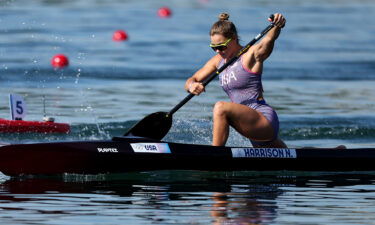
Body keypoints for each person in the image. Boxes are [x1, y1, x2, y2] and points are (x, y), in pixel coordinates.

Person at [184, 13, 287, 148]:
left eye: (221, 46)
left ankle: (215, 153)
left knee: (221, 107)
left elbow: (268, 40)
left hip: (262, 119)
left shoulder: (250, 56)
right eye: (213, 47)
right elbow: (191, 80)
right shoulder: (218, 61)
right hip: (246, 124)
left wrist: (277, 26)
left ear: (233, 38)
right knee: (294, 160)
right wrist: (192, 85)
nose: (217, 51)